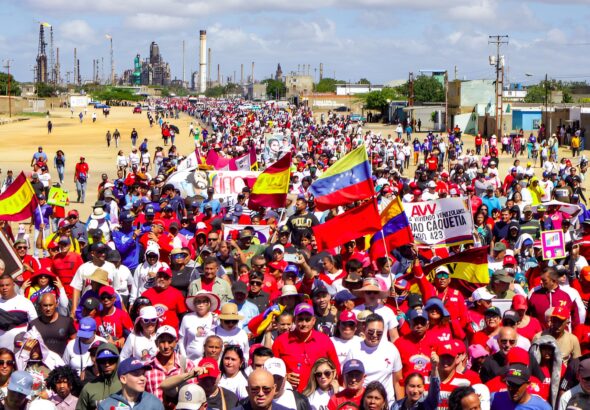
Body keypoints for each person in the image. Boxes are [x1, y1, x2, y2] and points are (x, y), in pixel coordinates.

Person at [272, 303, 341, 393]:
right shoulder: (281, 341)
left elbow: (336, 368)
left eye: (307, 320)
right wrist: (285, 376)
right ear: (294, 320)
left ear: (313, 320)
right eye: (300, 319)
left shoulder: (324, 340)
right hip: (291, 394)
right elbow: (272, 368)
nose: (304, 323)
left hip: (319, 393)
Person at [345, 313, 403, 406]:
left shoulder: (391, 349)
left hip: (386, 404)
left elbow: (398, 381)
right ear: (364, 329)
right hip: (362, 404)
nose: (375, 335)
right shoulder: (354, 349)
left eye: (379, 333)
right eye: (371, 332)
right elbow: (346, 379)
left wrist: (401, 405)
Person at [98, 357, 164, 410]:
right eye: (137, 374)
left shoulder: (154, 403)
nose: (143, 378)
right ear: (123, 379)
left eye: (143, 374)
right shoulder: (106, 405)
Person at [76, 343, 122, 410]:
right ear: (98, 362)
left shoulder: (127, 385)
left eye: (111, 360)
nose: (107, 364)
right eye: (102, 361)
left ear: (117, 361)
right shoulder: (88, 388)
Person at [0, 273, 38, 348]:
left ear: (13, 285)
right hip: (2, 350)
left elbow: (35, 325)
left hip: (21, 349)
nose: (4, 288)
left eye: (7, 285)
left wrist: (30, 342)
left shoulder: (25, 302)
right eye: (1, 286)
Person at [180, 290, 219, 361]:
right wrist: (184, 358)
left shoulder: (215, 318)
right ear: (194, 304)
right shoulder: (187, 318)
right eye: (198, 302)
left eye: (204, 301)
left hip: (210, 361)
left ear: (209, 303)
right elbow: (181, 340)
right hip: (190, 361)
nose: (201, 305)